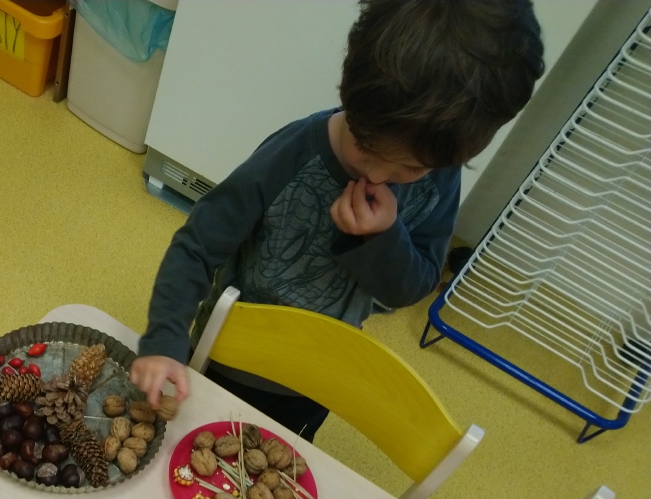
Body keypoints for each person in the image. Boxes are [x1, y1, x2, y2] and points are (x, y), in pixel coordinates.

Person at [131, 0, 544, 437]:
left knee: (282, 450)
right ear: (350, 94)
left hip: (319, 378)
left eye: (411, 169)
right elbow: (198, 245)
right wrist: (165, 339)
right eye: (366, 148)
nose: (378, 177)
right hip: (228, 359)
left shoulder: (439, 173)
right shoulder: (290, 155)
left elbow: (412, 286)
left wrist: (385, 237)